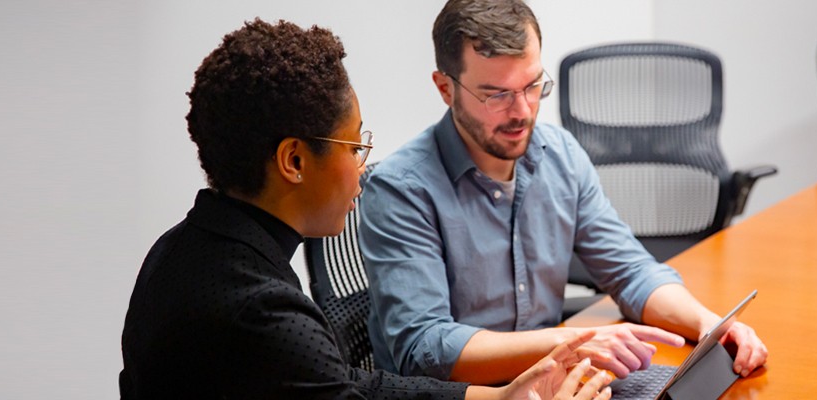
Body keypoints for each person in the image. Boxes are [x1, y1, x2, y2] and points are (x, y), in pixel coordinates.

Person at [119, 18, 613, 400]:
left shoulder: (186, 248)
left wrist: (498, 395)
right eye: (354, 146)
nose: (362, 166)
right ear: (293, 160)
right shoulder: (261, 309)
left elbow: (348, 384)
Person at [359, 0, 769, 386]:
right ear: (445, 89)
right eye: (497, 94)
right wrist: (568, 343)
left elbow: (631, 271)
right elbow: (425, 348)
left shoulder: (559, 155)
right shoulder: (401, 189)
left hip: (552, 383)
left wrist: (710, 325)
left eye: (533, 85)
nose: (522, 110)